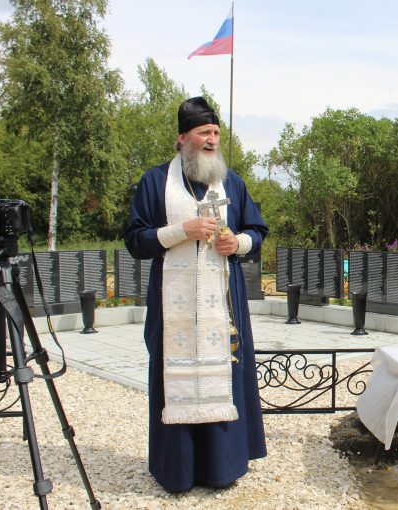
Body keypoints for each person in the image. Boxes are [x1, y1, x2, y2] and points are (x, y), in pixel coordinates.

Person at [125, 97, 269, 492]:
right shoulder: (156, 182)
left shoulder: (232, 183)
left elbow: (258, 231)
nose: (212, 140)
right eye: (204, 133)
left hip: (223, 306)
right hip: (174, 312)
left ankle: (223, 469)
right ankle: (178, 471)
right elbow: (135, 240)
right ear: (182, 138)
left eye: (216, 134)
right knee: (174, 379)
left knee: (226, 374)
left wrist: (237, 243)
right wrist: (180, 232)